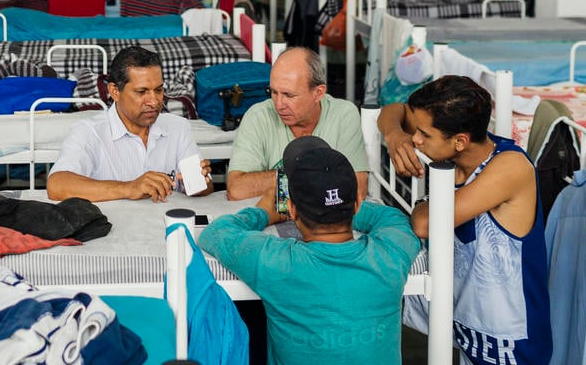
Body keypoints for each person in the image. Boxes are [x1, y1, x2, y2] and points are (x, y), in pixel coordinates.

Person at [200, 136, 419, 365]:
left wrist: (264, 211)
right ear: (357, 203)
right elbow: (393, 218)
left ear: (292, 210)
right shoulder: (390, 255)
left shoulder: (278, 262)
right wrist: (339, 208)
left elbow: (216, 233)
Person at [400, 76, 551, 365]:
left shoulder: (510, 166)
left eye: (424, 135)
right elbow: (393, 111)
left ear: (460, 141)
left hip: (510, 344)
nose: (415, 140)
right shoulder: (458, 160)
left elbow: (425, 224)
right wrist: (394, 135)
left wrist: (424, 206)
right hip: (471, 333)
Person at [47, 46, 212, 202]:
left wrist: (200, 183)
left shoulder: (178, 127)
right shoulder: (89, 132)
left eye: (159, 90)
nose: (154, 102)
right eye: (142, 92)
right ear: (114, 92)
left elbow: (205, 189)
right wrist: (129, 188)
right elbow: (57, 185)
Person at [226, 47, 369, 201]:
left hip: (323, 221)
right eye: (273, 92)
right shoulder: (257, 116)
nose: (279, 104)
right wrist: (317, 175)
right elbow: (236, 189)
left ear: (318, 93)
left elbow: (357, 189)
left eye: (289, 95)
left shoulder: (344, 115)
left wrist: (281, 180)